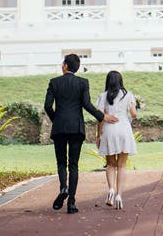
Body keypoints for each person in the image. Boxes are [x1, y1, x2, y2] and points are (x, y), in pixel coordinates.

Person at [44, 53, 118, 214]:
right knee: (74, 165)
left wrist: (56, 120)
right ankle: (71, 203)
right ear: (76, 68)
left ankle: (63, 187)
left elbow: (48, 106)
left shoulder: (54, 82)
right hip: (76, 128)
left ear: (64, 66)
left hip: (59, 128)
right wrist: (102, 116)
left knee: (61, 162)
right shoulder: (82, 83)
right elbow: (86, 104)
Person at [96, 70, 138, 210]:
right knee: (121, 165)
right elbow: (134, 114)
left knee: (110, 164)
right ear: (121, 81)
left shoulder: (103, 96)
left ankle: (111, 190)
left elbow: (100, 117)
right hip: (124, 129)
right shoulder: (128, 95)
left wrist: (98, 135)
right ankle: (119, 195)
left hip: (109, 130)